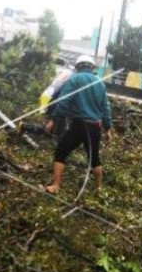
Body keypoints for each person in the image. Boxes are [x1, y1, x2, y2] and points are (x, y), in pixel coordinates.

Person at [44, 54, 112, 194]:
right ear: (92, 67)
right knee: (94, 158)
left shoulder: (74, 79)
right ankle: (99, 188)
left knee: (61, 152)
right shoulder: (100, 82)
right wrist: (108, 128)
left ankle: (56, 186)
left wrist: (53, 120)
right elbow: (105, 108)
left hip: (79, 125)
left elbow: (63, 102)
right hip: (95, 127)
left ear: (78, 66)